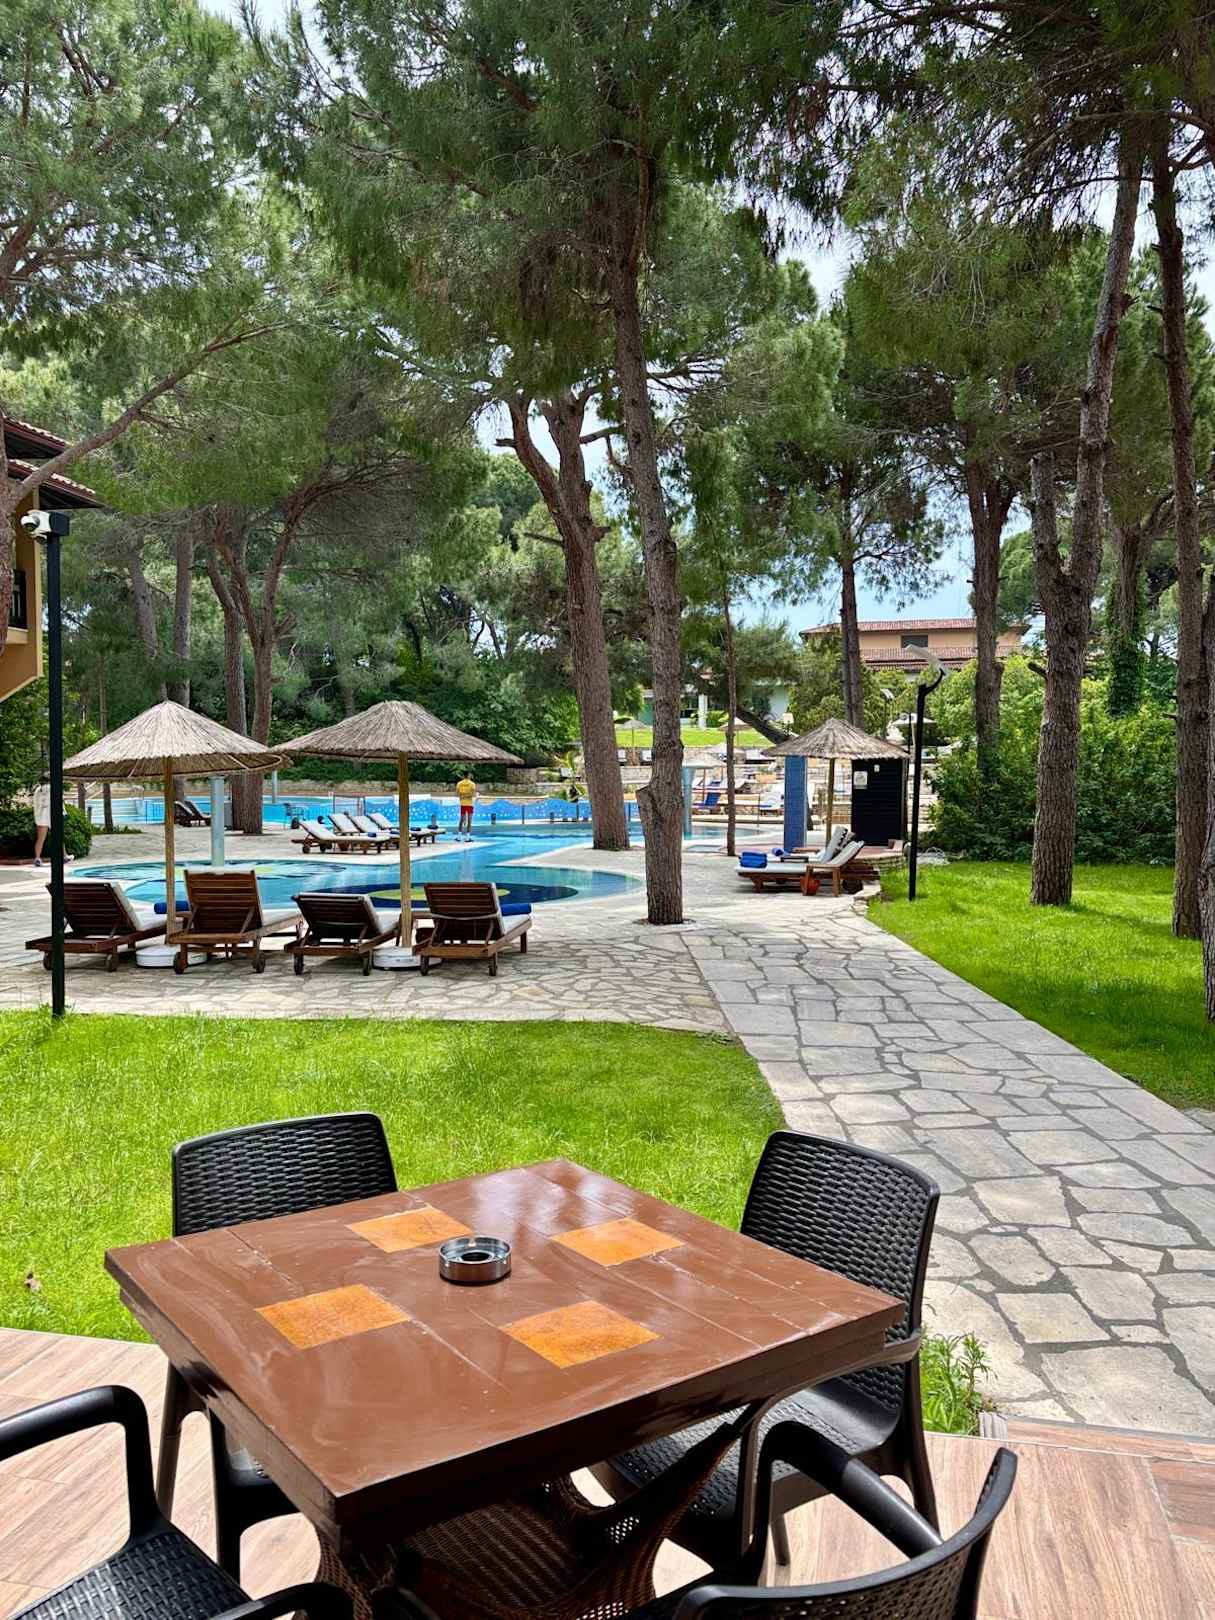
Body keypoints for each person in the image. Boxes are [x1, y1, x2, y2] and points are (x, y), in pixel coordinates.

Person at [31, 778, 52, 867]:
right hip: (48, 816)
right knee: (58, 836)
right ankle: (64, 855)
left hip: (40, 817)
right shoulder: (50, 788)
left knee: (40, 839)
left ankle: (37, 858)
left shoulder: (37, 790)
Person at [455, 772, 476, 841]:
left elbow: (457, 794)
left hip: (462, 804)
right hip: (469, 804)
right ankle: (467, 837)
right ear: (469, 776)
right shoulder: (472, 784)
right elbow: (472, 794)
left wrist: (463, 796)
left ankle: (459, 837)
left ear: (463, 776)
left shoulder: (459, 783)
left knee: (461, 820)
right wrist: (467, 795)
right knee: (469, 821)